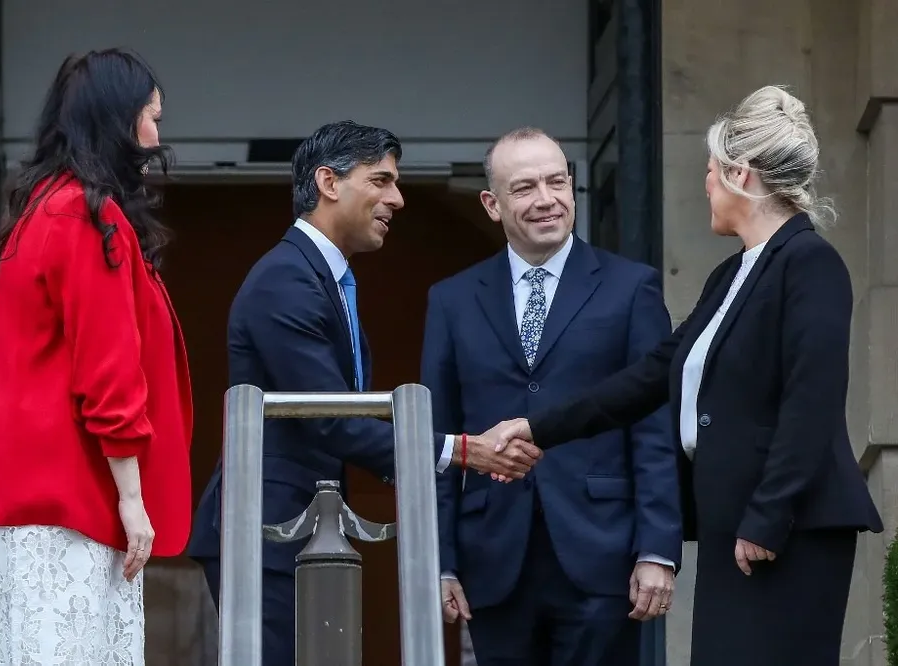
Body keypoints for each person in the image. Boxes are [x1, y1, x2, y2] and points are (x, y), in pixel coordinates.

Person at [481, 86, 884, 666]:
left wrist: (768, 517)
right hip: (734, 524)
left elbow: (811, 401)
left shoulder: (809, 262)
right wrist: (535, 428)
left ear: (740, 174)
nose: (706, 186)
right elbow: (648, 377)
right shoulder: (732, 274)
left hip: (784, 530)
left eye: (712, 173)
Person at [186, 120, 542, 666]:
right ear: (329, 183)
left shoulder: (321, 277)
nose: (397, 199)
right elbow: (331, 418)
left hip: (297, 531)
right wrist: (462, 450)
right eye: (381, 181)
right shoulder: (287, 279)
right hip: (266, 530)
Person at [0, 49, 193, 665]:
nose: (156, 136)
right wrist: (133, 502)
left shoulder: (40, 207)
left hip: (34, 489)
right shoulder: (86, 216)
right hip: (68, 491)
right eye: (152, 117)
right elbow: (109, 373)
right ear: (120, 121)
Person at [421, 127, 682, 666]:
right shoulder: (450, 301)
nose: (546, 200)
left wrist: (657, 550)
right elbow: (440, 438)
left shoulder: (632, 288)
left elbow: (654, 426)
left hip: (603, 553)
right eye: (525, 188)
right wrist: (440, 560)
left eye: (556, 181)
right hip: (492, 558)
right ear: (492, 204)